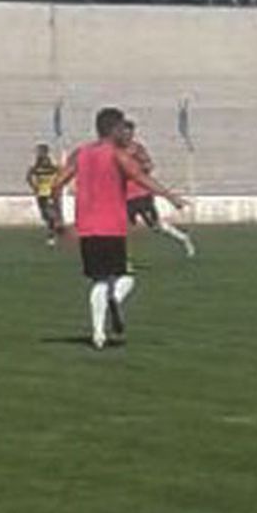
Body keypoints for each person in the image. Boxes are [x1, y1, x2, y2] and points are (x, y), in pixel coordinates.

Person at [53, 107, 186, 350]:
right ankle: (115, 300)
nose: (126, 132)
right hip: (112, 227)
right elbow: (140, 177)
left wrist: (58, 219)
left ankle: (98, 335)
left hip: (87, 228)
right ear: (113, 129)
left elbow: (57, 184)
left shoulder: (81, 153)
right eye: (123, 127)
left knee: (99, 281)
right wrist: (170, 196)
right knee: (125, 278)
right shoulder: (116, 155)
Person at [120, 120, 196, 258]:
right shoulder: (116, 150)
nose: (126, 135)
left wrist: (137, 169)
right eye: (123, 132)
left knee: (156, 227)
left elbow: (149, 166)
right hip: (125, 196)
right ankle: (123, 259)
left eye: (129, 132)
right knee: (122, 227)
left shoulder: (137, 149)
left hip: (141, 194)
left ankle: (183, 238)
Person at [26, 144, 64, 247]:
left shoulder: (48, 163)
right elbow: (29, 176)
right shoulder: (36, 165)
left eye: (39, 151)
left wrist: (56, 185)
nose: (37, 153)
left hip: (50, 193)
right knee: (45, 215)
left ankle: (51, 236)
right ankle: (56, 227)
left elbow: (59, 172)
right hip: (41, 193)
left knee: (50, 214)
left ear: (44, 152)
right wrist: (34, 187)